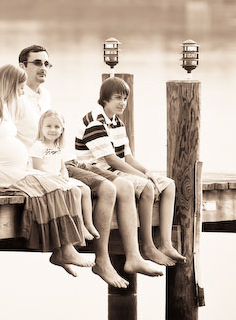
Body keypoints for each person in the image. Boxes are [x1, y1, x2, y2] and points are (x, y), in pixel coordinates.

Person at [16, 44, 162, 287]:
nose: (43, 68)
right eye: (37, 63)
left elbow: (54, 132)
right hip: (37, 166)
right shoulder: (15, 98)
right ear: (23, 67)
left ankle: (129, 255)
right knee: (106, 189)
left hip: (61, 160)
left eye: (46, 63)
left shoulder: (45, 96)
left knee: (117, 186)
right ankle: (101, 261)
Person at [0, 64, 94, 275]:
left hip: (10, 170)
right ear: (9, 85)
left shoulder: (4, 107)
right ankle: (65, 248)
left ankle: (63, 249)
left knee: (61, 184)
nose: (22, 92)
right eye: (20, 87)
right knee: (48, 184)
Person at [75, 77, 187, 267]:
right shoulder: (95, 122)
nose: (122, 103)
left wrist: (146, 171)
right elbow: (111, 160)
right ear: (104, 99)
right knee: (147, 187)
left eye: (125, 98)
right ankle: (148, 246)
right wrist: (142, 178)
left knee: (168, 185)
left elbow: (127, 156)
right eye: (118, 98)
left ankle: (166, 244)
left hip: (116, 169)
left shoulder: (117, 122)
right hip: (99, 172)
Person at [29, 109, 99, 241]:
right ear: (41, 128)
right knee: (76, 192)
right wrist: (56, 179)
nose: (53, 130)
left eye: (57, 127)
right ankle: (80, 226)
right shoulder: (38, 146)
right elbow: (37, 169)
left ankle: (88, 223)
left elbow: (62, 167)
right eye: (48, 126)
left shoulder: (57, 147)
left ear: (62, 130)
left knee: (85, 189)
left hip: (58, 178)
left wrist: (64, 177)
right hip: (45, 180)